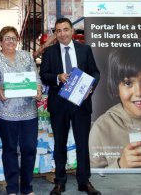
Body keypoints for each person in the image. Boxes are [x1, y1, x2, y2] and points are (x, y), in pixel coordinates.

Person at [39, 17, 100, 195]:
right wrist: (58, 77)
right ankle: (60, 181)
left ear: (72, 31)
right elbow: (44, 75)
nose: (62, 33)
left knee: (82, 144)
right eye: (58, 31)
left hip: (81, 104)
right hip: (59, 104)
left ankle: (84, 181)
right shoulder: (49, 52)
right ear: (55, 33)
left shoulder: (85, 49)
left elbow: (95, 72)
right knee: (60, 143)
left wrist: (91, 87)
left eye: (66, 29)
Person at [89, 45, 141, 169]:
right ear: (116, 89)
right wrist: (121, 165)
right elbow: (94, 178)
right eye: (128, 83)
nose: (139, 92)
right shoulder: (101, 128)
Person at [0, 26, 42, 195]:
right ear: (0, 42)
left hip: (28, 111)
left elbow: (36, 77)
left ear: (17, 40)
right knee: (10, 149)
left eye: (13, 38)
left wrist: (38, 91)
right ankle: (12, 189)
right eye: (6, 38)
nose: (10, 41)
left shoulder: (26, 56)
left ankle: (26, 188)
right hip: (5, 112)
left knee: (29, 148)